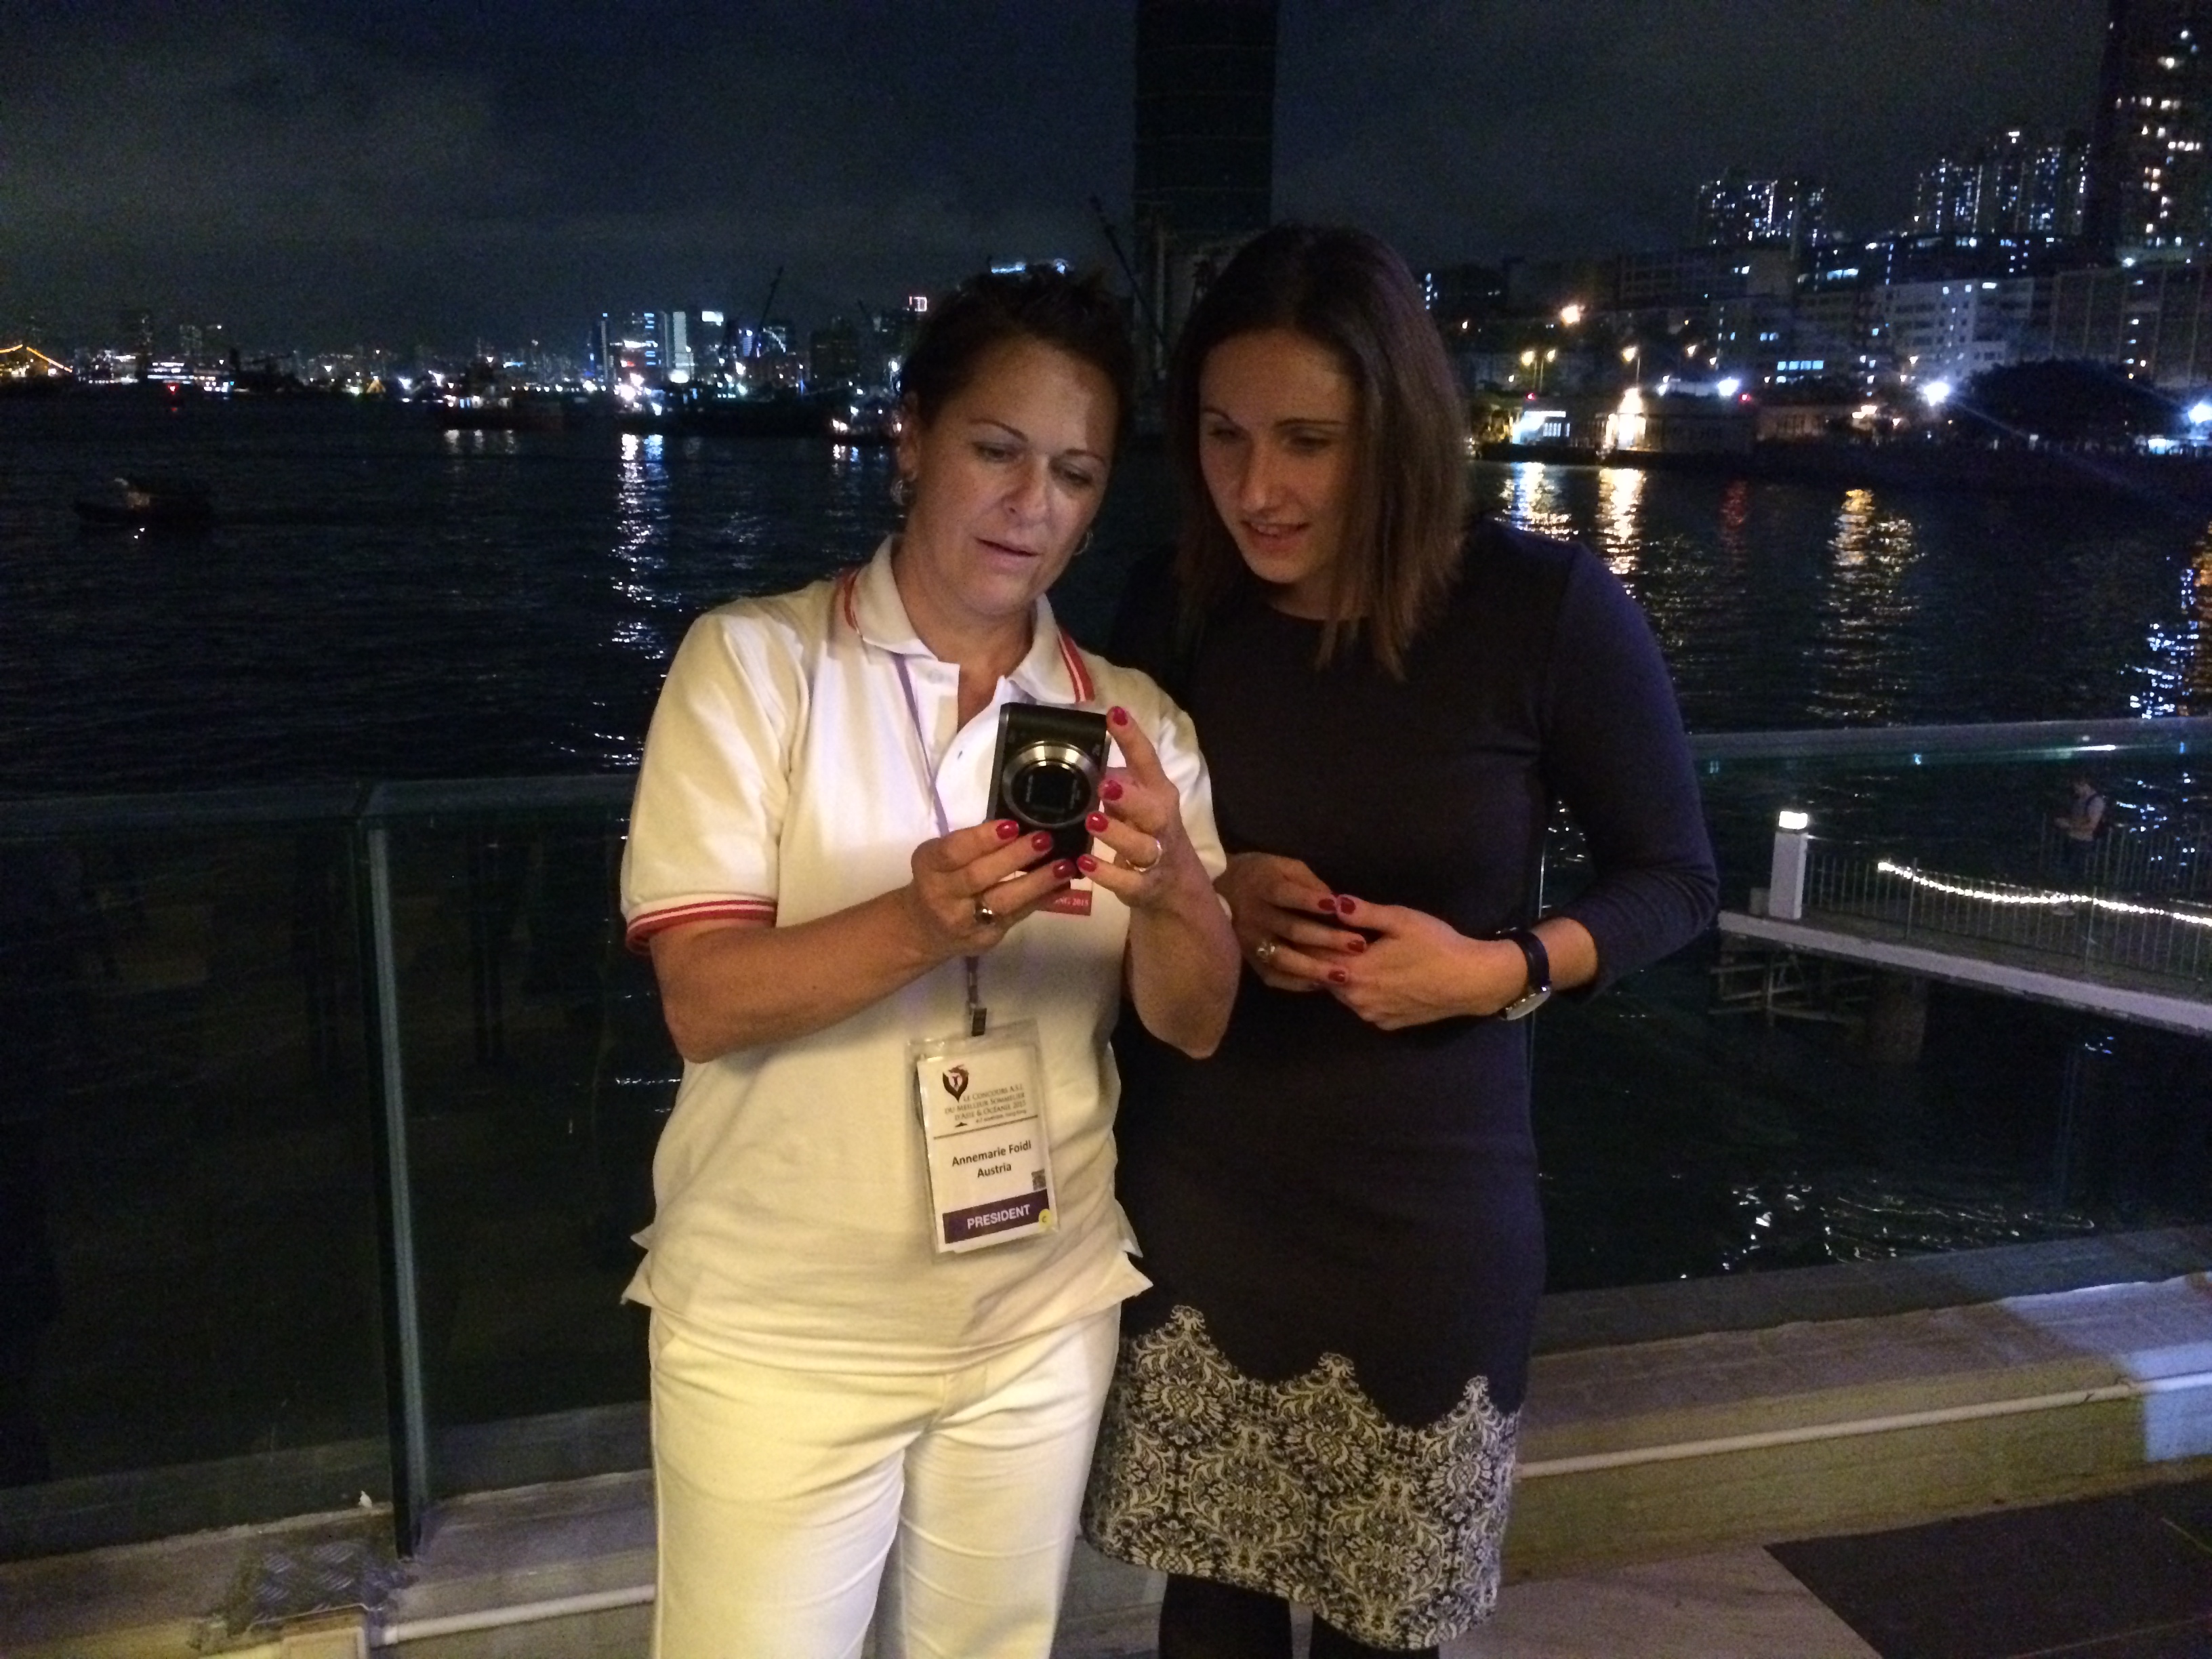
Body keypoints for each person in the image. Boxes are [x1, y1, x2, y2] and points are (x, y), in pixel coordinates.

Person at [1082, 226, 1719, 1657]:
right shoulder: (1173, 605)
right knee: (1210, 1617)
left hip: (1428, 1218)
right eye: (1225, 435)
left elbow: (1676, 881)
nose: (1257, 487)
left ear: (1401, 429)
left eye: (1308, 441)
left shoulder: (1540, 610)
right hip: (1201, 1190)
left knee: (1393, 1624)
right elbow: (1125, 854)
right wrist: (1214, 882)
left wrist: (1503, 969)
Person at [620, 265, 1241, 1659]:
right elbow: (702, 1001)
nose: (1032, 504)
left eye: (1075, 473)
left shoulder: (1132, 722)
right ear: (910, 437)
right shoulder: (756, 666)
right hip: (783, 1328)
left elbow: (1196, 1022)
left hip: (1040, 1312)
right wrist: (920, 923)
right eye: (995, 450)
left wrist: (1174, 888)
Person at [2055, 773, 2106, 888]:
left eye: (2076, 787)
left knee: (2074, 874)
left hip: (2082, 842)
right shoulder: (2082, 799)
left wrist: (2069, 825)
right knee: (2067, 872)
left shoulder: (2096, 802)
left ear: (2084, 784)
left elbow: (2091, 825)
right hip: (2073, 838)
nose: (2075, 791)